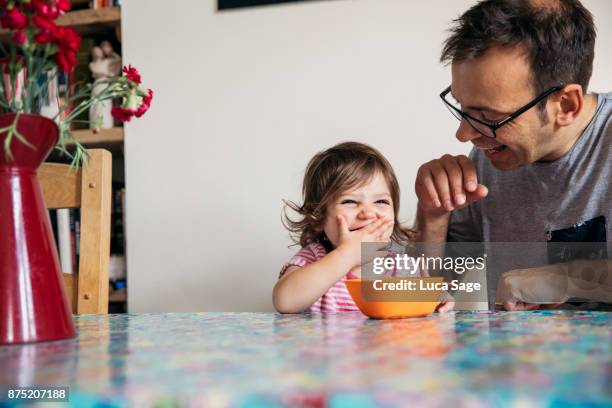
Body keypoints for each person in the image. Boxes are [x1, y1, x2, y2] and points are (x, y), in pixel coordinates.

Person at [414, 0, 611, 310]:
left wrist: (567, 280)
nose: (464, 134)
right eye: (462, 108)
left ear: (566, 105)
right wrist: (433, 217)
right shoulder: (491, 160)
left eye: (489, 116)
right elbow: (417, 296)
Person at [274, 142, 453, 313]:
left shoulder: (400, 267)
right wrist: (347, 256)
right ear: (319, 217)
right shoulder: (313, 258)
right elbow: (284, 301)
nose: (368, 213)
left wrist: (437, 298)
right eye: (350, 201)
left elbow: (424, 303)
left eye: (381, 201)